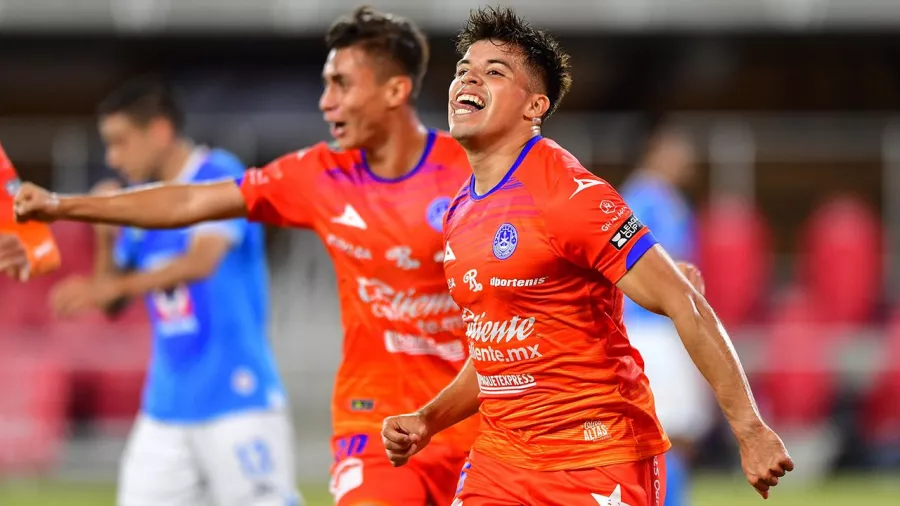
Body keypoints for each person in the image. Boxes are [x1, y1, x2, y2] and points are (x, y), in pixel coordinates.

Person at [10, 7, 479, 506]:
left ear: (394, 91)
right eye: (325, 84)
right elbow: (189, 200)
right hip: (373, 423)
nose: (325, 102)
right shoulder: (318, 175)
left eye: (341, 85)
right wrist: (65, 205)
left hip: (474, 424)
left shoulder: (472, 173)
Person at [380, 7, 793, 506]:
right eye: (465, 68)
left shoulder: (568, 195)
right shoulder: (461, 211)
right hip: (501, 461)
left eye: (495, 71)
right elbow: (497, 355)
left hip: (595, 460)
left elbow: (684, 300)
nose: (469, 77)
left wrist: (750, 430)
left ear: (535, 106)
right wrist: (428, 419)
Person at [25, 78, 298, 506]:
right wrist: (103, 236)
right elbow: (112, 303)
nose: (113, 158)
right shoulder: (140, 206)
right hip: (165, 407)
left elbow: (201, 261)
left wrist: (112, 285)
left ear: (159, 131)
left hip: (235, 395)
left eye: (120, 142)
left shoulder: (219, 174)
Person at [620, 126, 713, 506]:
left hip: (668, 327)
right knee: (667, 430)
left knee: (681, 432)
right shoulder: (641, 198)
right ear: (654, 150)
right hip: (649, 329)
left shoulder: (670, 199)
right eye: (676, 149)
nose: (684, 159)